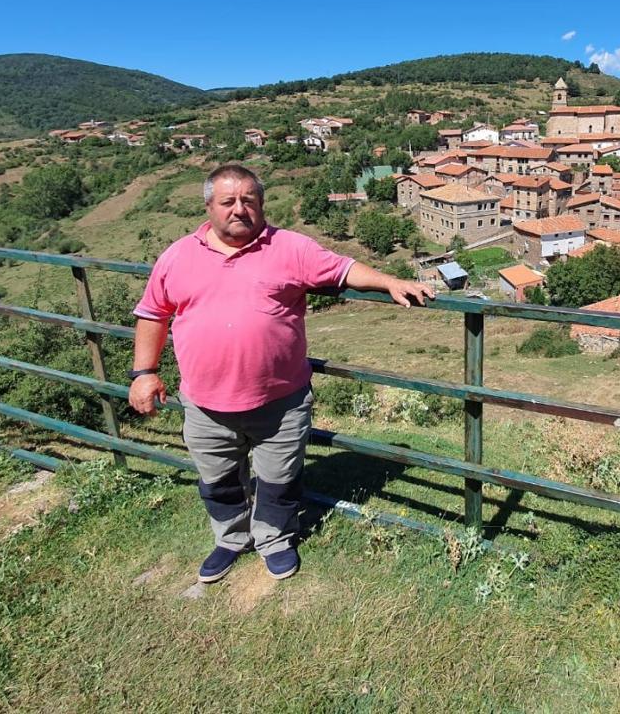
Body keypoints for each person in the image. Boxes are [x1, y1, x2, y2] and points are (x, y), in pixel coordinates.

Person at [128, 164, 434, 583]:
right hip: (203, 403)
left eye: (249, 201)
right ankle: (230, 539)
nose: (240, 209)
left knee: (278, 480)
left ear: (261, 204)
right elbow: (152, 313)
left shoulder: (289, 248)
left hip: (280, 401)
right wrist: (144, 372)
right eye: (229, 201)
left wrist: (389, 280)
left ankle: (274, 539)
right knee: (218, 482)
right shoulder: (177, 256)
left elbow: (343, 269)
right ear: (209, 207)